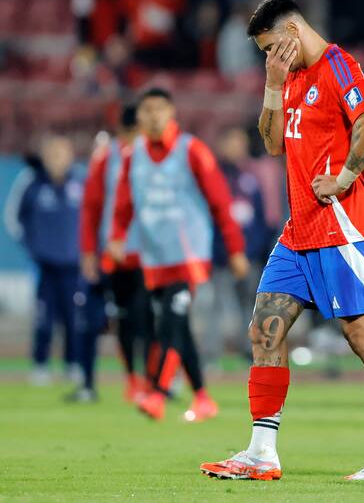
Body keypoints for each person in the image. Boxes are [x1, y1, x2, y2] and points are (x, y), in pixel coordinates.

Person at [199, 0, 364, 481]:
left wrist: (343, 176)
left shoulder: (337, 65)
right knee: (264, 328)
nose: (268, 56)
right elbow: (273, 143)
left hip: (344, 227)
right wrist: (272, 84)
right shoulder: (289, 76)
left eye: (271, 47)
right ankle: (261, 453)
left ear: (293, 33)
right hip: (298, 232)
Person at [109, 87, 249, 422]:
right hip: (155, 257)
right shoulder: (134, 155)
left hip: (189, 256)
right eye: (147, 110)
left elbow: (220, 202)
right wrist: (116, 237)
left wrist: (235, 249)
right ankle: (202, 397)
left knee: (170, 320)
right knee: (178, 325)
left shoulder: (192, 151)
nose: (153, 116)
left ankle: (157, 393)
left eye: (159, 109)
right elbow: (124, 202)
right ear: (139, 116)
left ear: (172, 113)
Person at [77, 104, 153, 403]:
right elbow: (91, 207)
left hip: (152, 255)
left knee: (149, 319)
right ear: (124, 131)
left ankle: (151, 381)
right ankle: (132, 380)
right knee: (123, 320)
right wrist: (87, 252)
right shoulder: (106, 158)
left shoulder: (156, 155)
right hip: (117, 254)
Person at [7, 135, 83, 386]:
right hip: (44, 266)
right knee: (43, 317)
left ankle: (73, 363)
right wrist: (33, 250)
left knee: (74, 317)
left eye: (62, 154)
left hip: (74, 266)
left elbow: (93, 220)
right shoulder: (32, 183)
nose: (57, 160)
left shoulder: (80, 183)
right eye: (52, 154)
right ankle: (40, 365)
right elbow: (13, 219)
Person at [196, 127, 274, 367]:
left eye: (241, 142)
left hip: (248, 256)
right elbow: (206, 218)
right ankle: (211, 356)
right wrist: (221, 252)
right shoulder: (213, 176)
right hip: (221, 256)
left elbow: (260, 219)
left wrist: (254, 252)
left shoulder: (249, 178)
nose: (238, 147)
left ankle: (248, 352)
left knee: (250, 306)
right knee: (215, 306)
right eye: (233, 142)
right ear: (222, 144)